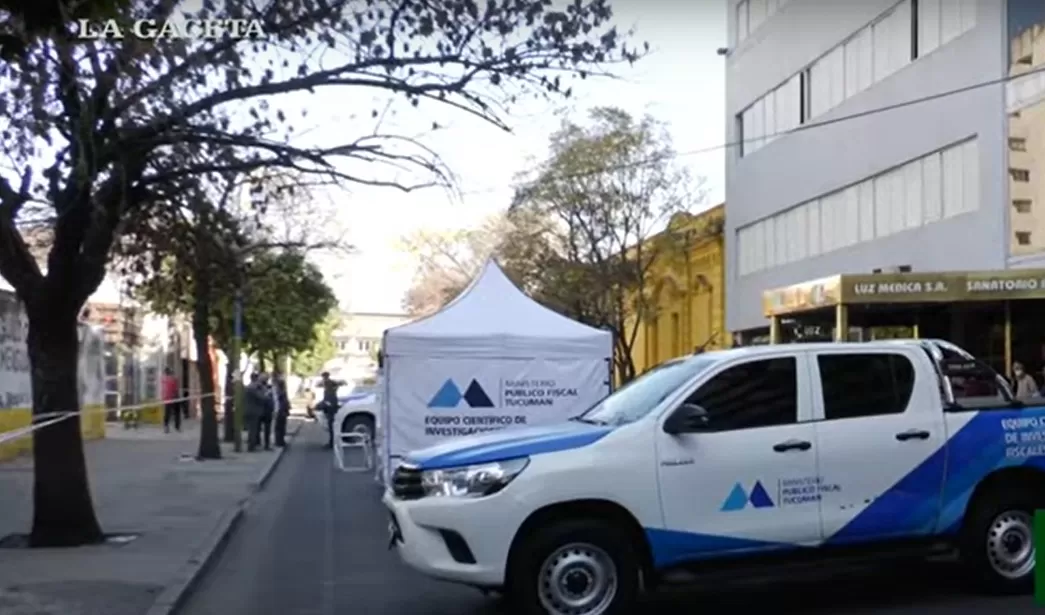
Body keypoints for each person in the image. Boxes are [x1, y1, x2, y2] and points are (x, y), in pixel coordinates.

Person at [319, 371, 344, 448]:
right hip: (331, 407)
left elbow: (328, 399)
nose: (323, 379)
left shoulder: (328, 386)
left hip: (330, 409)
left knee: (331, 426)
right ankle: (331, 442)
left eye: (324, 377)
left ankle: (331, 443)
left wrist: (323, 405)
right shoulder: (330, 386)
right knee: (331, 426)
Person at [245, 373, 268, 452]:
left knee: (252, 429)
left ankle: (252, 445)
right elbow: (261, 398)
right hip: (253, 411)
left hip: (249, 410)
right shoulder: (253, 388)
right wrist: (266, 393)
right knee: (253, 430)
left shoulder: (249, 386)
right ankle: (251, 447)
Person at [272, 371, 291, 447]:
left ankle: (279, 441)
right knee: (281, 427)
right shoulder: (282, 392)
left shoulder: (279, 392)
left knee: (279, 427)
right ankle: (280, 441)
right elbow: (285, 402)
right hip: (282, 411)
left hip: (281, 411)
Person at [162, 367, 181, 433]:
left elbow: (163, 390)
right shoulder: (173, 379)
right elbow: (176, 389)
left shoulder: (163, 380)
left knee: (167, 413)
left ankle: (166, 427)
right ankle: (177, 427)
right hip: (174, 398)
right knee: (177, 413)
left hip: (167, 399)